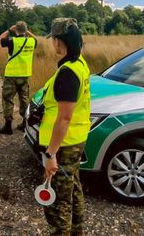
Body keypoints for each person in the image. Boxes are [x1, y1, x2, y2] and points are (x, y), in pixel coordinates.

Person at [39, 18, 90, 235]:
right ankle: (77, 230)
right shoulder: (80, 64)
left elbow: (64, 118)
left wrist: (51, 154)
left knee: (58, 202)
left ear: (60, 41)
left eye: (54, 40)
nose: (52, 44)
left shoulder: (67, 73)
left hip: (64, 145)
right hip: (76, 140)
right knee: (73, 189)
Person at [0, 21, 37, 134]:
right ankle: (24, 124)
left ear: (16, 30)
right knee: (24, 98)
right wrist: (27, 30)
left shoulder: (12, 41)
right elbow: (36, 38)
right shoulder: (32, 41)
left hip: (11, 75)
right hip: (25, 75)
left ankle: (8, 126)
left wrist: (9, 30)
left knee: (8, 98)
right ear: (26, 30)